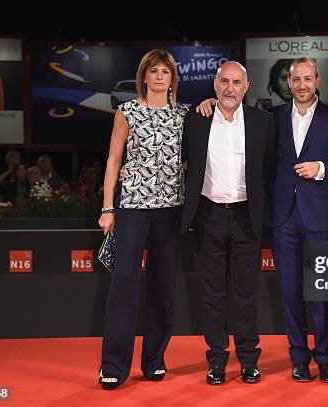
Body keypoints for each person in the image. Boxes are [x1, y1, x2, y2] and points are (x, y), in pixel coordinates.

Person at [98, 49, 188, 389]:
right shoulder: (127, 112)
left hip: (171, 211)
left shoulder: (184, 114)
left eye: (165, 71)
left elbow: (190, 162)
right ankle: (113, 365)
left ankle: (154, 360)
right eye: (154, 71)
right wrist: (108, 208)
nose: (160, 76)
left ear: (172, 78)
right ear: (145, 76)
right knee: (124, 285)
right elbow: (112, 160)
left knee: (162, 289)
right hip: (132, 208)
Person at [181, 61, 275, 385]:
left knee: (246, 293)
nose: (230, 88)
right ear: (215, 84)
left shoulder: (263, 122)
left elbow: (271, 169)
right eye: (224, 81)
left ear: (246, 88)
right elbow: (181, 160)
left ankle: (249, 359)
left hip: (246, 217)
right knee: (211, 294)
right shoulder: (196, 119)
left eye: (237, 82)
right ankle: (217, 360)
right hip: (207, 215)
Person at [267, 57, 328, 383]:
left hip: (321, 214)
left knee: (322, 293)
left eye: (307, 78)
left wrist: (324, 167)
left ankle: (325, 359)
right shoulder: (272, 118)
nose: (301, 85)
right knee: (290, 292)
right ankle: (298, 358)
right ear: (288, 81)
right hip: (283, 217)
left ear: (317, 79)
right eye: (295, 79)